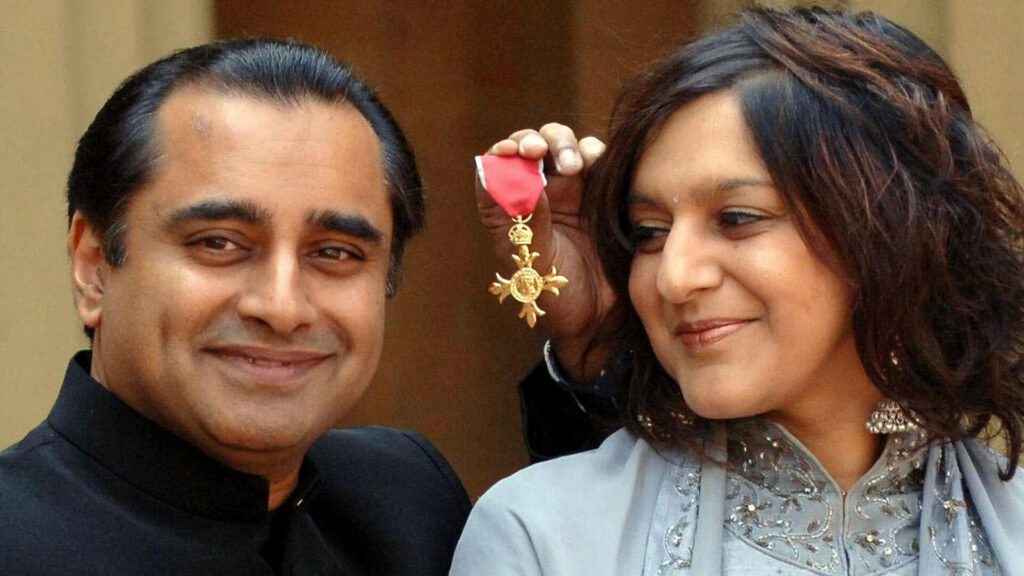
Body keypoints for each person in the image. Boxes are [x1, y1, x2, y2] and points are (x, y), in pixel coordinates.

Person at [453, 7, 1024, 575]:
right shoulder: (540, 537)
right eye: (648, 232)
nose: (674, 277)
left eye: (736, 218)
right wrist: (597, 341)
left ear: (892, 232)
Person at [0, 38, 472, 575]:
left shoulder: (404, 507)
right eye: (218, 243)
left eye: (334, 252)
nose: (281, 306)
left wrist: (586, 349)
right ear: (93, 265)